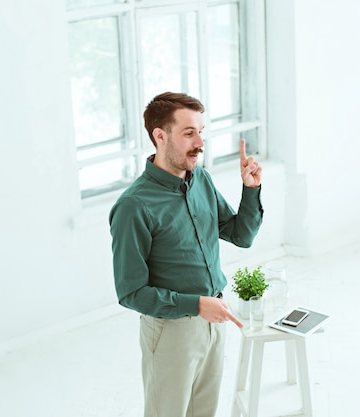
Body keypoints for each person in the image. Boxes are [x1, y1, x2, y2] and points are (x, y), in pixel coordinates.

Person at [108, 91, 264, 417]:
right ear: (160, 136)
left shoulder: (201, 180)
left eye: (201, 132)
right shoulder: (133, 207)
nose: (200, 143)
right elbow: (131, 292)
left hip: (213, 320)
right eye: (189, 133)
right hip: (171, 331)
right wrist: (196, 304)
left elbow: (241, 235)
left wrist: (250, 190)